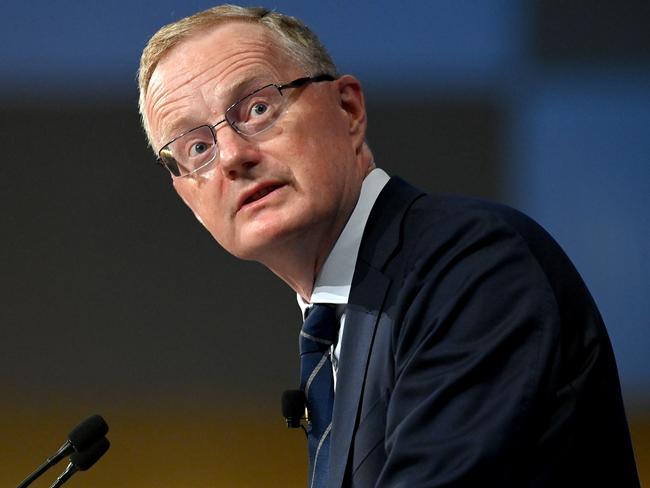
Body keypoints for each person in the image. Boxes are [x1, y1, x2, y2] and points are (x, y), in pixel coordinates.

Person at [137, 5, 639, 487]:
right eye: (196, 147)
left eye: (258, 108)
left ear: (349, 109)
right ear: (186, 195)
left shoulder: (472, 265)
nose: (231, 157)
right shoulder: (341, 322)